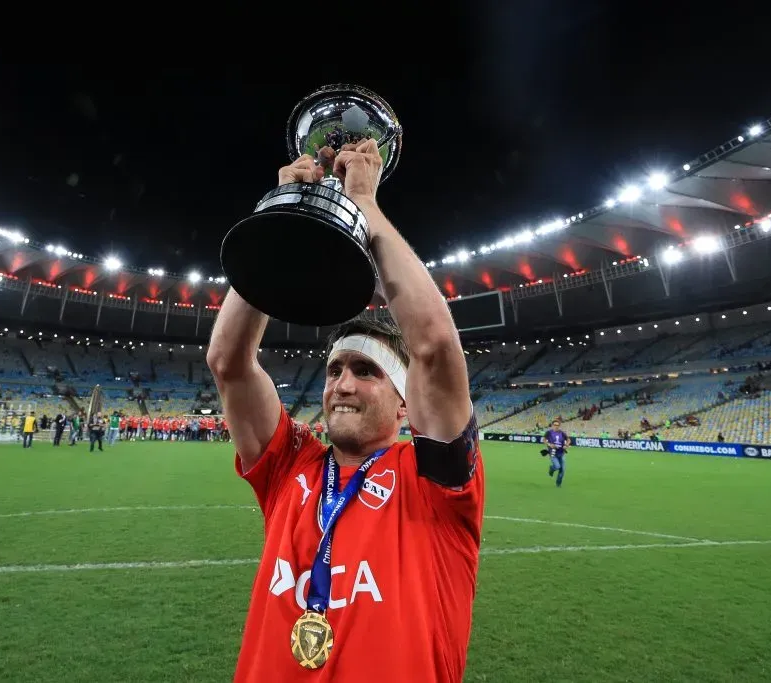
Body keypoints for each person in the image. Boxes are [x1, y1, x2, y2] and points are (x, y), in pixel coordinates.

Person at [208, 139, 482, 683]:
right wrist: (283, 214)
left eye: (366, 371)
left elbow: (433, 347)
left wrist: (365, 204)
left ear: (407, 405)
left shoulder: (434, 482)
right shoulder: (291, 467)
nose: (343, 385)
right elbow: (228, 363)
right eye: (334, 371)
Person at [542, 419, 570, 487]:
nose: (556, 426)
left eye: (558, 425)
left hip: (561, 453)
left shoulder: (562, 433)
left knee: (562, 470)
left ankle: (558, 484)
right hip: (553, 453)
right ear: (552, 425)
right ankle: (551, 468)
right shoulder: (549, 432)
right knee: (557, 466)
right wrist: (549, 444)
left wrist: (566, 445)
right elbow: (544, 440)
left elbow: (568, 440)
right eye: (555, 425)